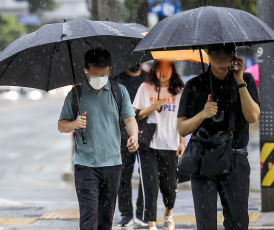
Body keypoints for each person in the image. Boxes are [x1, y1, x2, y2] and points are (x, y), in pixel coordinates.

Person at [177, 44, 260, 230]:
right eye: (216, 54)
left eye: (227, 54)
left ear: (234, 55)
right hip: (203, 159)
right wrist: (203, 114)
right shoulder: (195, 85)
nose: (222, 59)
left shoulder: (245, 79)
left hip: (236, 160)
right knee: (206, 224)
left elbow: (253, 116)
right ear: (207, 54)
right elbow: (182, 128)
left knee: (238, 223)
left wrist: (240, 82)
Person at [58, 48, 139, 230]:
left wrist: (134, 136)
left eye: (103, 74)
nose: (99, 78)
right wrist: (74, 124)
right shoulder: (76, 94)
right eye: (95, 74)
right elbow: (61, 125)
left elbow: (130, 119)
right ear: (86, 70)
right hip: (85, 165)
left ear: (110, 69)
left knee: (105, 220)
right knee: (89, 220)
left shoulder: (119, 91)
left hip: (112, 164)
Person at [133, 60, 186, 230]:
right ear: (154, 70)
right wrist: (151, 108)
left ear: (172, 70)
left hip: (170, 144)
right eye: (160, 69)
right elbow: (135, 116)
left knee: (170, 187)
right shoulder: (145, 88)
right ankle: (152, 224)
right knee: (150, 184)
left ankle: (169, 213)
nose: (163, 72)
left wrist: (182, 142)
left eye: (167, 68)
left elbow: (182, 120)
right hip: (148, 145)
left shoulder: (179, 92)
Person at [111, 64, 147, 227]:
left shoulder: (148, 78)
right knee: (123, 176)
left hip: (147, 133)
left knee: (146, 175)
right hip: (122, 134)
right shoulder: (116, 80)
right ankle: (126, 214)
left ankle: (143, 213)